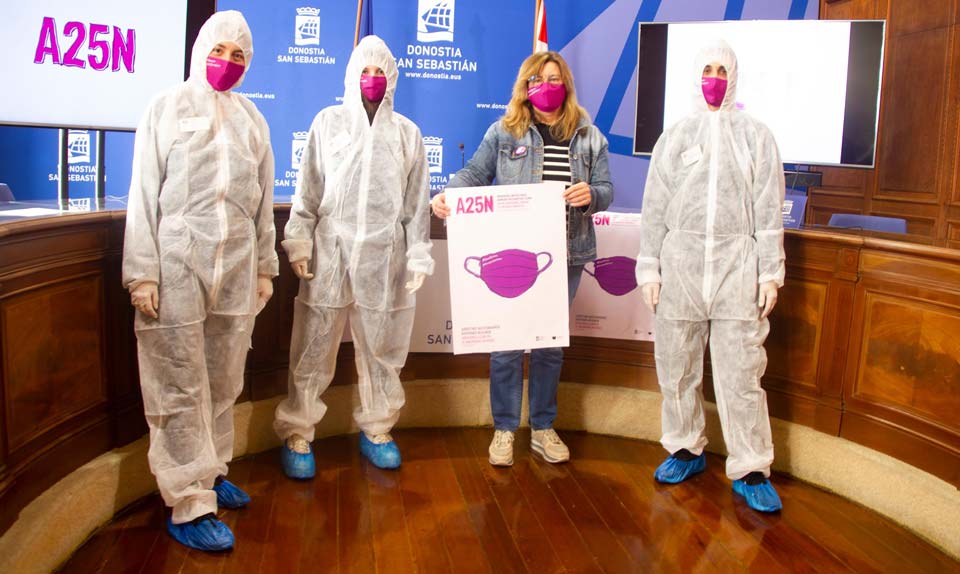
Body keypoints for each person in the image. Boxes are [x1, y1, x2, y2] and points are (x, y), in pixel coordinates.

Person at [122, 11, 277, 551]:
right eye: (220, 51)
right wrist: (141, 271)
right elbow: (142, 195)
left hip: (235, 268)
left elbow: (261, 201)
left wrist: (263, 267)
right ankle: (187, 501)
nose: (227, 63)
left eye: (239, 56)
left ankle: (211, 471)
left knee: (224, 377)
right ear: (200, 49)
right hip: (177, 266)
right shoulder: (166, 108)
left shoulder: (253, 120)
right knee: (179, 381)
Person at [432, 51, 613, 466]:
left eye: (553, 78)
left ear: (565, 83)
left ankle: (544, 427)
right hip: (513, 256)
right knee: (507, 343)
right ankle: (504, 429)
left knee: (550, 345)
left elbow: (605, 187)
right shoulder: (504, 131)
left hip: (566, 255)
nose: (545, 86)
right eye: (537, 79)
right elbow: (475, 174)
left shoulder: (589, 135)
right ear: (525, 87)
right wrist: (447, 194)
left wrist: (592, 195)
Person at [635, 40, 785, 513]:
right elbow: (654, 207)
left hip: (737, 268)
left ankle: (752, 466)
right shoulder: (676, 135)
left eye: (722, 69)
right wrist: (649, 265)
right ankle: (684, 447)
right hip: (679, 265)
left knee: (741, 373)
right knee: (676, 367)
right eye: (707, 69)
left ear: (735, 76)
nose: (714, 78)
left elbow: (767, 211)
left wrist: (770, 272)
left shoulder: (756, 136)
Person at [273, 35, 433, 477]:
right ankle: (298, 431)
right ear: (350, 75)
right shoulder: (327, 123)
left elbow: (416, 205)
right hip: (330, 252)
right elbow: (306, 192)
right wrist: (300, 241)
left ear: (393, 78)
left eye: (381, 71)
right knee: (313, 344)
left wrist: (418, 254)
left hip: (384, 257)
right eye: (365, 70)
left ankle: (378, 428)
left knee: (382, 348)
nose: (372, 79)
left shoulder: (407, 135)